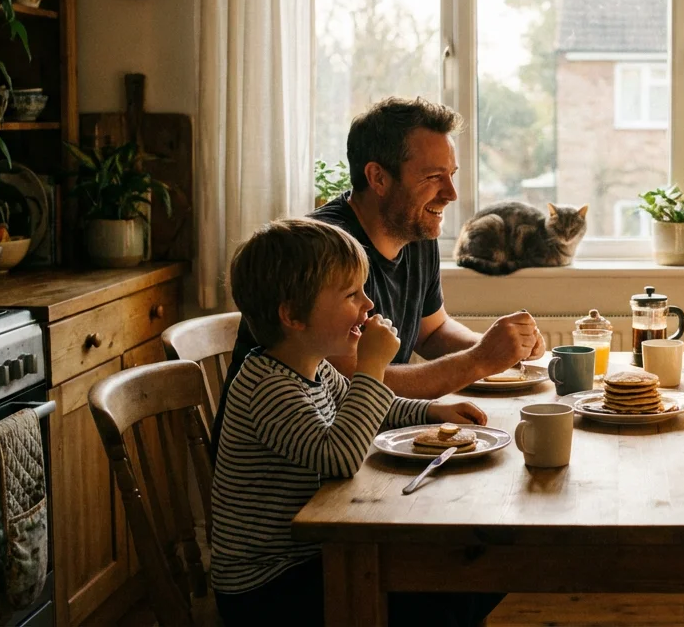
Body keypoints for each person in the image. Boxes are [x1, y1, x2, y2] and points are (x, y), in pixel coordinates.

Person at [211, 218, 500, 627]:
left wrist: (430, 412)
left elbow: (370, 410)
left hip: (315, 555)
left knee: (463, 572)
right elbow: (340, 457)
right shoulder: (266, 386)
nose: (368, 305)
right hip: (269, 588)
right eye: (351, 295)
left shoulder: (313, 367)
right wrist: (371, 367)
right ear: (293, 315)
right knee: (453, 589)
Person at [214, 97, 545, 451]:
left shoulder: (414, 227)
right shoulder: (325, 255)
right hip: (308, 476)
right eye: (434, 177)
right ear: (378, 177)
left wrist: (501, 349)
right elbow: (354, 377)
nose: (450, 193)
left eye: (451, 175)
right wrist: (479, 361)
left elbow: (431, 332)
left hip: (370, 441)